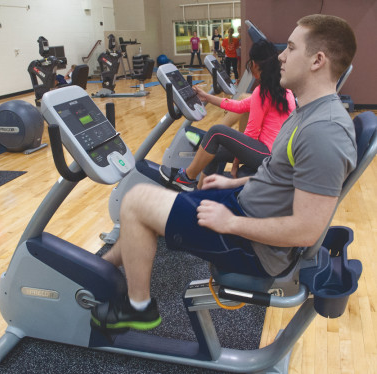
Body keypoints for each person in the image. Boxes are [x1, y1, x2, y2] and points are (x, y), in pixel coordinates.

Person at [91, 15, 357, 333]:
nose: (282, 57)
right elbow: (280, 175)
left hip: (255, 246)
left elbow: (306, 230)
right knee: (152, 205)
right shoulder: (307, 111)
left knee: (135, 202)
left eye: (290, 48)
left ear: (317, 60)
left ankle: (138, 308)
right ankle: (99, 272)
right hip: (244, 206)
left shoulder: (324, 131)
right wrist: (235, 181)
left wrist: (230, 222)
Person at [159, 39, 296, 191]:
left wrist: (235, 166)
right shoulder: (282, 91)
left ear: (255, 64)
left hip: (267, 155)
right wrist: (207, 97)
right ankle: (199, 192)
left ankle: (186, 177)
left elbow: (251, 133)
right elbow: (238, 106)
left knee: (216, 132)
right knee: (213, 150)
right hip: (273, 154)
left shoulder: (263, 92)